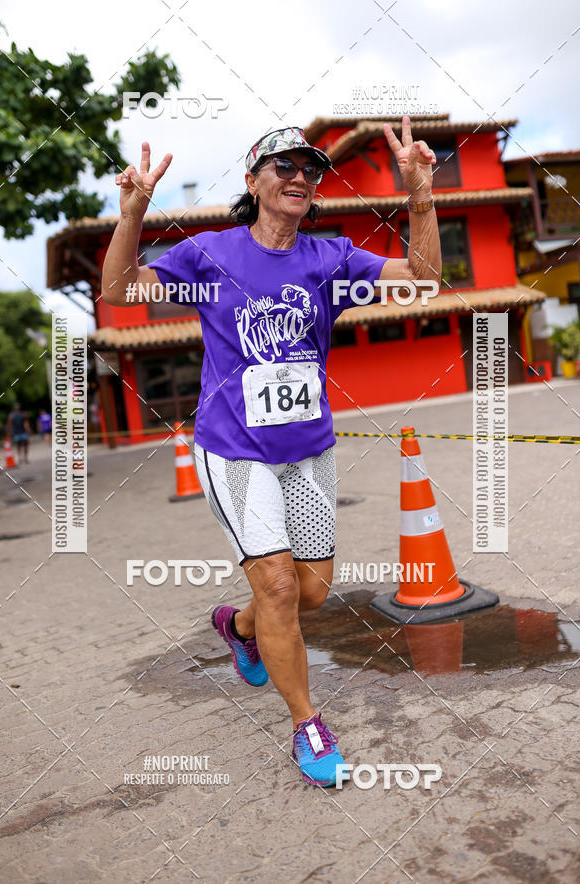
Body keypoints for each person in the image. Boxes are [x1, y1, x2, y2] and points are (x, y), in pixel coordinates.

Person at [101, 119, 441, 786]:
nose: (298, 178)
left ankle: (239, 626)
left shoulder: (331, 259)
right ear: (254, 182)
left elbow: (424, 276)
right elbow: (118, 290)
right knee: (280, 585)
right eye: (282, 167)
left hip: (309, 452)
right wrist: (134, 214)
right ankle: (306, 724)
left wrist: (421, 196)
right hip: (235, 451)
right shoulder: (211, 255)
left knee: (310, 592)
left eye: (309, 170)